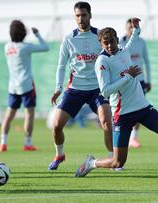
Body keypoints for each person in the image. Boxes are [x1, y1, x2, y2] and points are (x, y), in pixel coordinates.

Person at [74, 19, 158, 178]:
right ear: (101, 44)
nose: (110, 45)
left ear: (117, 40)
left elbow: (132, 42)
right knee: (117, 162)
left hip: (143, 108)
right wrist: (128, 76)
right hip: (123, 114)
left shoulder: (123, 50)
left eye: (112, 41)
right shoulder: (102, 61)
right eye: (106, 43)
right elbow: (105, 91)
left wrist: (137, 30)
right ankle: (91, 163)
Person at [48, 1, 113, 170]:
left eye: (84, 15)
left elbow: (111, 58)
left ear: (90, 15)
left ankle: (113, 159)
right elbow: (61, 66)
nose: (81, 19)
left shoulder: (100, 36)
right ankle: (60, 154)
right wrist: (57, 88)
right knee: (56, 126)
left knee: (106, 123)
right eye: (77, 15)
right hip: (75, 89)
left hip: (97, 89)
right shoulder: (69, 39)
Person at [0, 20, 49, 152]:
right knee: (29, 115)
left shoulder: (7, 47)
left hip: (13, 87)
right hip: (26, 85)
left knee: (9, 116)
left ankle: (3, 143)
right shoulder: (25, 47)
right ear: (23, 32)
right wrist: (37, 34)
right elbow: (45, 47)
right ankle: (27, 143)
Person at [119, 18, 152, 148]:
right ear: (126, 28)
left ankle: (133, 138)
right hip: (125, 81)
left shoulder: (142, 42)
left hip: (140, 80)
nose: (132, 30)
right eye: (129, 28)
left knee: (140, 107)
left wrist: (148, 80)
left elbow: (147, 61)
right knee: (122, 108)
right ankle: (121, 134)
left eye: (133, 28)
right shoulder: (120, 43)